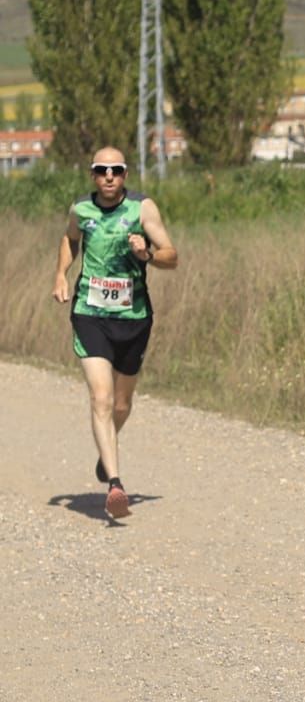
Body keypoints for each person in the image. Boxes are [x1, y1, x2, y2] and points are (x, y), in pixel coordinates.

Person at [52, 147, 178, 519]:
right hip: (90, 314)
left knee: (121, 406)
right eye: (102, 170)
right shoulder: (81, 209)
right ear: (93, 174)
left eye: (116, 170)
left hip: (133, 317)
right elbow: (69, 239)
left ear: (125, 174)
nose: (109, 176)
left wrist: (148, 255)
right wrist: (61, 273)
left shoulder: (142, 210)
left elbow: (172, 254)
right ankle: (116, 484)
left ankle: (105, 453)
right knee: (101, 399)